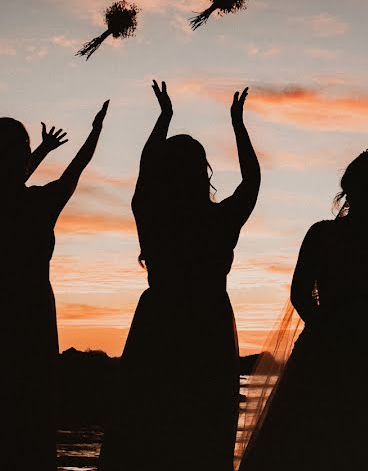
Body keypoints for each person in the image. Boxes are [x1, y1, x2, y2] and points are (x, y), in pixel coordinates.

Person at [239, 149, 368, 471]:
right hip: (352, 343)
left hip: (361, 344)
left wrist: (345, 325)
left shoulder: (339, 235)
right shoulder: (357, 236)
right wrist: (344, 327)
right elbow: (300, 293)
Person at [0, 104, 109, 470]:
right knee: (25, 432)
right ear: (16, 155)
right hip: (29, 326)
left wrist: (41, 150)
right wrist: (96, 131)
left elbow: (12, 179)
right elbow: (75, 171)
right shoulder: (37, 203)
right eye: (24, 146)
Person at [100, 81, 260, 470]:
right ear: (201, 171)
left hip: (159, 322)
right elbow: (252, 180)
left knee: (146, 421)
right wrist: (238, 125)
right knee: (204, 426)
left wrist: (163, 117)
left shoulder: (151, 214)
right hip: (208, 325)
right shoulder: (220, 219)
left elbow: (145, 166)